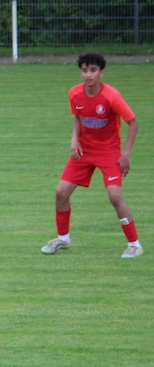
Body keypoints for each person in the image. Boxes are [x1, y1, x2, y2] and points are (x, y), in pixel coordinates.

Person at [42, 53, 142, 259]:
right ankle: (63, 239)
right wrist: (74, 140)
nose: (88, 75)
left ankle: (134, 244)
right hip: (84, 150)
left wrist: (126, 155)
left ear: (101, 73)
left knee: (115, 196)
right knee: (61, 192)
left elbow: (133, 122)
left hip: (108, 151)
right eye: (85, 70)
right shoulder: (74, 93)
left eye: (93, 70)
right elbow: (78, 117)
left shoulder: (112, 97)